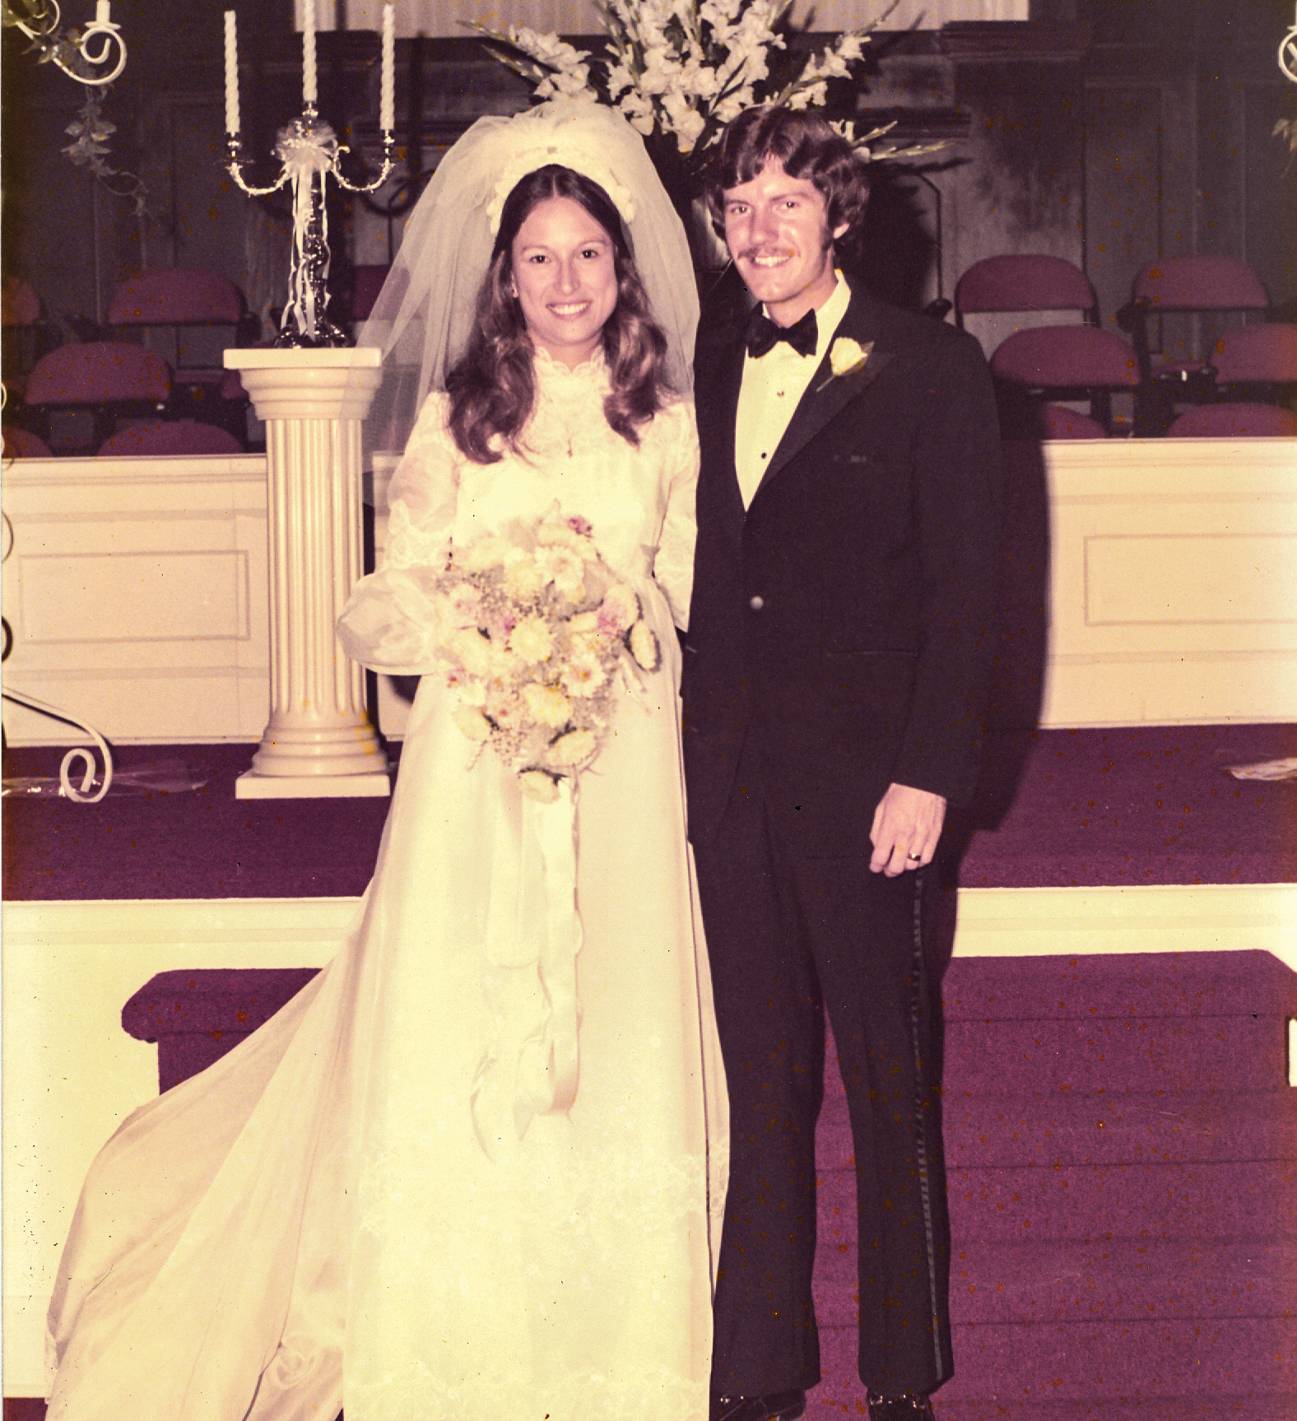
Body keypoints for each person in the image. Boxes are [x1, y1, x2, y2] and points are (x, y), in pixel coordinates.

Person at [44, 100, 726, 1421]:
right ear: (503, 273)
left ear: (623, 268)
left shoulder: (668, 421)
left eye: (587, 253)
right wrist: (481, 617)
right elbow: (386, 597)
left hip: (626, 759)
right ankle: (454, 1332)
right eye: (538, 257)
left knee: (615, 1008)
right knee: (464, 1005)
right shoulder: (461, 422)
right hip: (476, 766)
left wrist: (614, 615)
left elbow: (693, 583)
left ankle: (612, 1342)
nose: (565, 281)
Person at [682, 106, 1003, 1421]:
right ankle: (752, 1374)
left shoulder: (930, 366)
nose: (757, 233)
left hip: (877, 793)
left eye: (784, 208)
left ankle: (900, 1377)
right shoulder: (706, 350)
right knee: (759, 1089)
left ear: (838, 220)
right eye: (737, 209)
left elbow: (966, 592)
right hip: (735, 781)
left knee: (886, 1088)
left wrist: (927, 774)